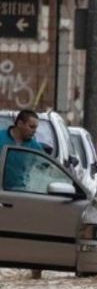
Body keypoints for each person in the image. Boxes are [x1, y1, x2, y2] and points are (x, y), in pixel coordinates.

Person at [0, 110, 45, 279]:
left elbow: (45, 168)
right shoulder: (0, 138)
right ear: (19, 123)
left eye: (36, 127)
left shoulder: (34, 146)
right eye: (31, 126)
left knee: (32, 234)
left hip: (22, 196)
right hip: (1, 195)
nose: (34, 131)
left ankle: (35, 273)